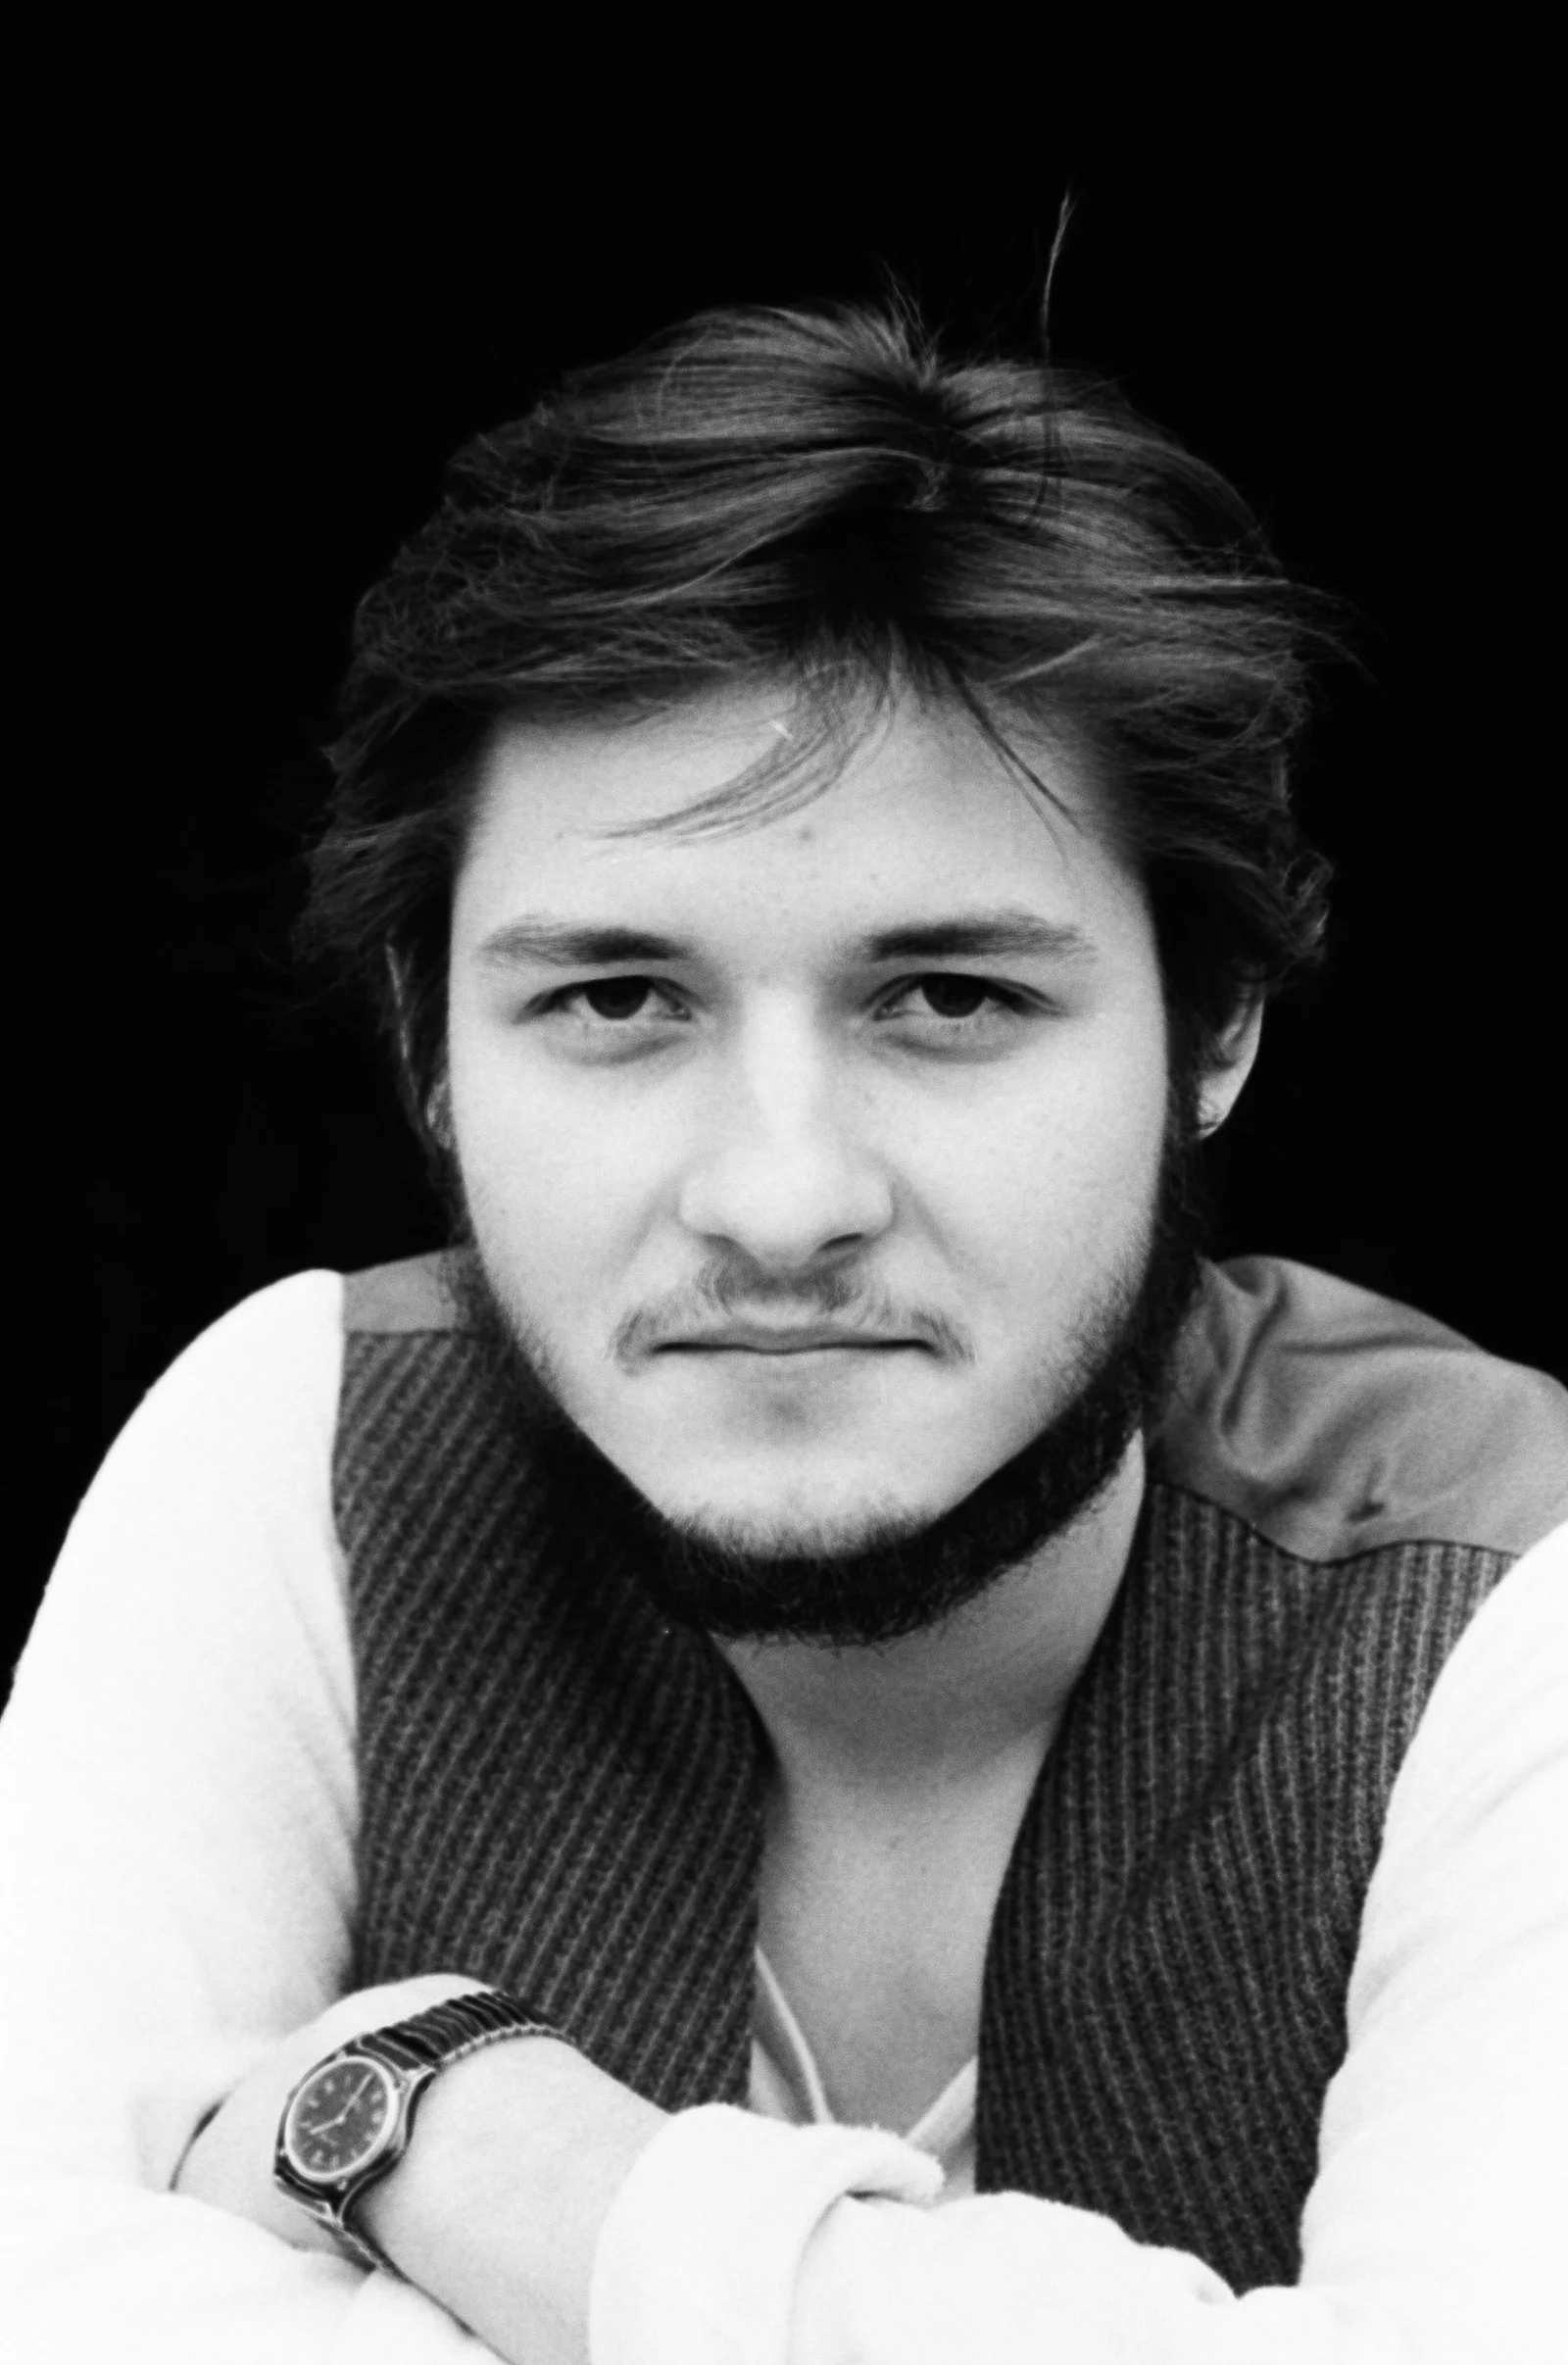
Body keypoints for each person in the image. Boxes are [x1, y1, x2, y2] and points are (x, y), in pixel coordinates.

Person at [2, 292, 1565, 2365]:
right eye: (616, 1000)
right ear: (430, 1048)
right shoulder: (296, 1442)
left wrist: (471, 2141)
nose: (779, 1197)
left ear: (1212, 1031)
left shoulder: (1506, 1597)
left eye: (949, 1000)